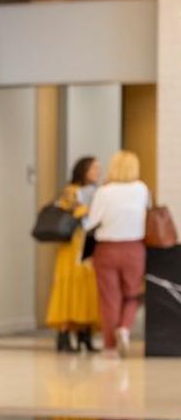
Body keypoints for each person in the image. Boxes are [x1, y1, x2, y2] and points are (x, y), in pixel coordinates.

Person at [85, 150, 151, 357]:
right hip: (134, 248)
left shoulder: (104, 191)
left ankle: (110, 345)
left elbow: (91, 223)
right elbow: (148, 213)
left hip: (106, 249)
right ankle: (125, 328)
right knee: (133, 294)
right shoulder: (141, 189)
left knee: (109, 297)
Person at [48, 156, 102, 353]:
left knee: (88, 289)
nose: (97, 172)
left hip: (89, 244)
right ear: (83, 170)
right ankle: (64, 334)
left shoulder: (98, 192)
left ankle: (85, 333)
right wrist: (89, 209)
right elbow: (71, 213)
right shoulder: (71, 192)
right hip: (72, 248)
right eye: (94, 168)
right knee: (69, 288)